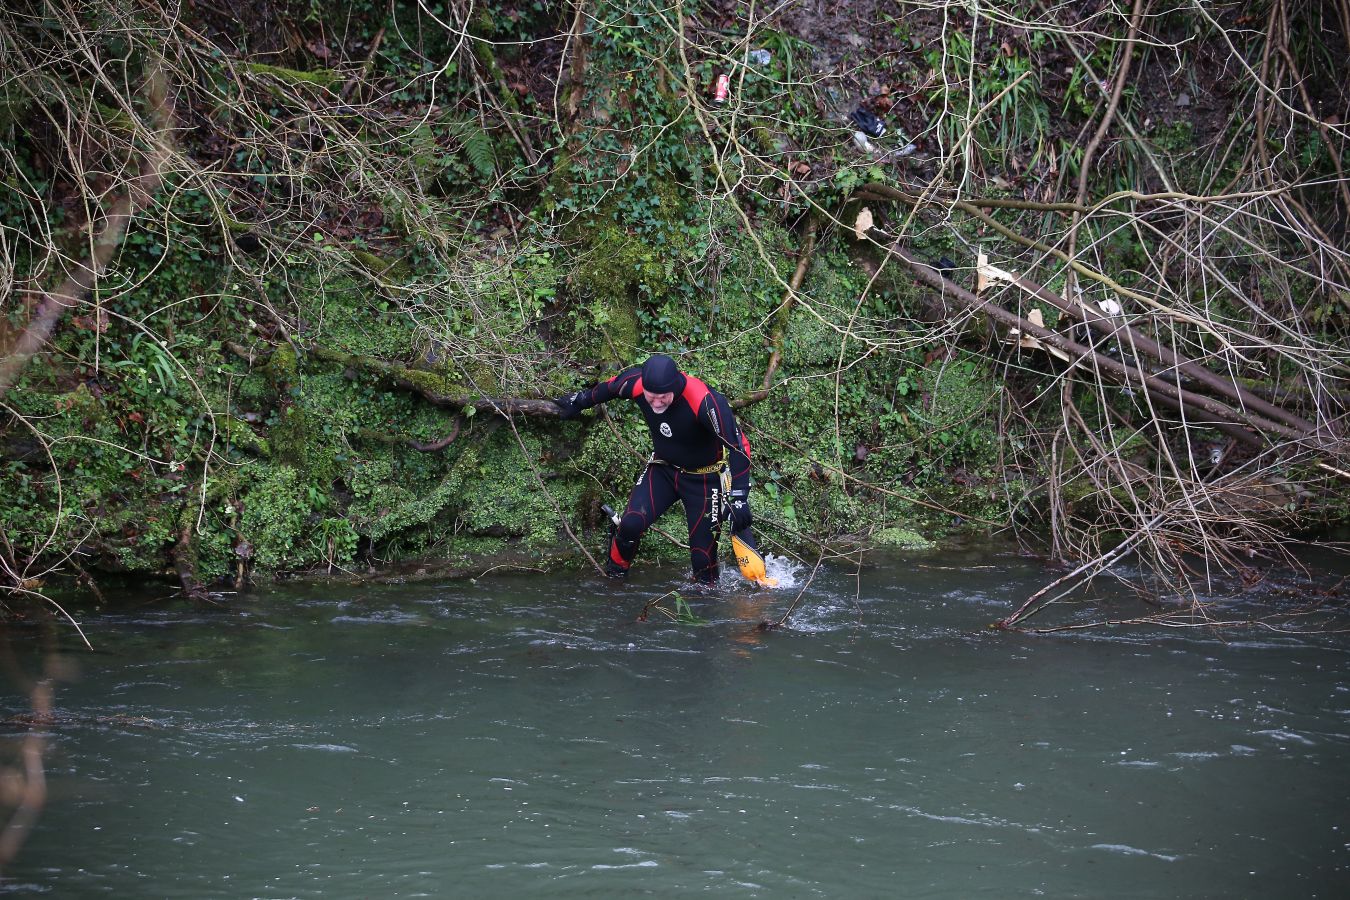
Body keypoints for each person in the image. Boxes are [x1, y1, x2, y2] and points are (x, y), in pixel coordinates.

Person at [554, 354, 753, 584]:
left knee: (703, 562)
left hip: (705, 481)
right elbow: (608, 388)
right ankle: (613, 581)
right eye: (651, 397)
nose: (657, 403)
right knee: (630, 524)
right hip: (663, 470)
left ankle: (704, 607)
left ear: (675, 387)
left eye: (663, 398)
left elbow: (738, 446)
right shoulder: (636, 383)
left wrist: (739, 496)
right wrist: (578, 401)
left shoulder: (704, 400)